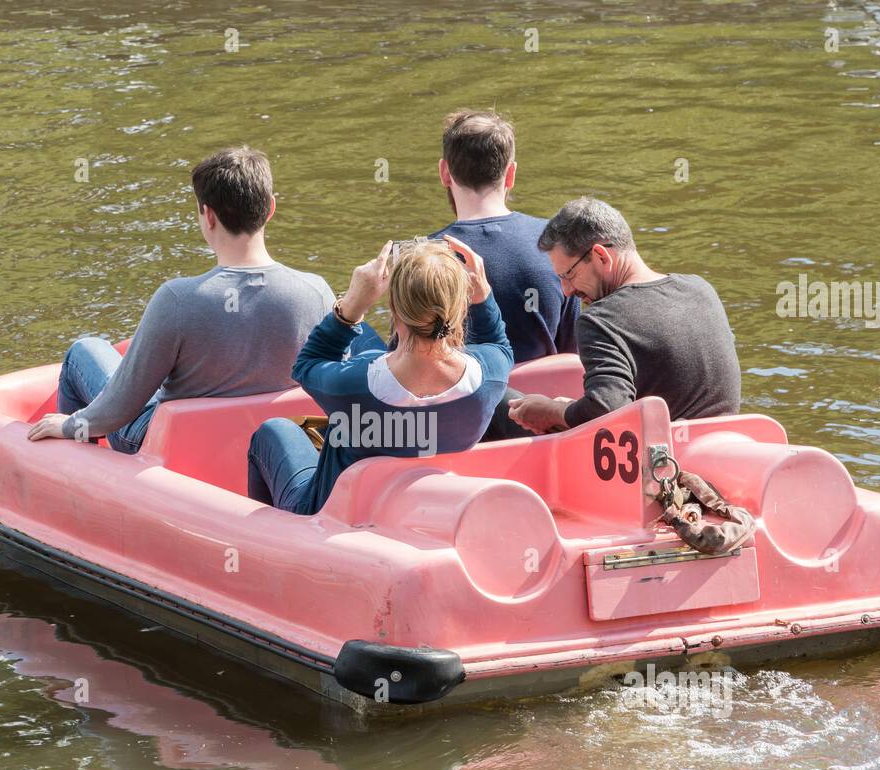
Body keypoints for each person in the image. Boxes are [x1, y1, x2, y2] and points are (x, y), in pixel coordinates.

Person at [26, 147, 338, 451]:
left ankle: (70, 472)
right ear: (270, 208)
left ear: (209, 216)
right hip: (277, 441)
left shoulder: (177, 300)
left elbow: (116, 410)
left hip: (169, 444)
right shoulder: (316, 291)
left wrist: (68, 425)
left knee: (85, 349)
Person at [247, 237, 512, 514]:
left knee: (273, 430)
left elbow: (307, 364)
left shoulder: (351, 387)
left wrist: (350, 307)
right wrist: (483, 295)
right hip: (426, 510)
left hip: (333, 514)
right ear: (460, 309)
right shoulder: (490, 376)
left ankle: (268, 539)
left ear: (395, 310)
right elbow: (498, 342)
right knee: (367, 344)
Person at [492, 197, 741, 438]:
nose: (567, 291)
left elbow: (607, 409)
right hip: (724, 441)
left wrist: (552, 411)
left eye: (568, 275)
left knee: (495, 401)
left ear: (601, 256)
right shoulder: (700, 288)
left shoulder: (602, 320)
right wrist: (573, 407)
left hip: (661, 462)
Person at [429, 109, 579, 362]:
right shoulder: (559, 242)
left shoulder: (424, 255)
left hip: (465, 401)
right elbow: (571, 354)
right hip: (545, 398)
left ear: (445, 173)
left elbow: (405, 362)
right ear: (511, 174)